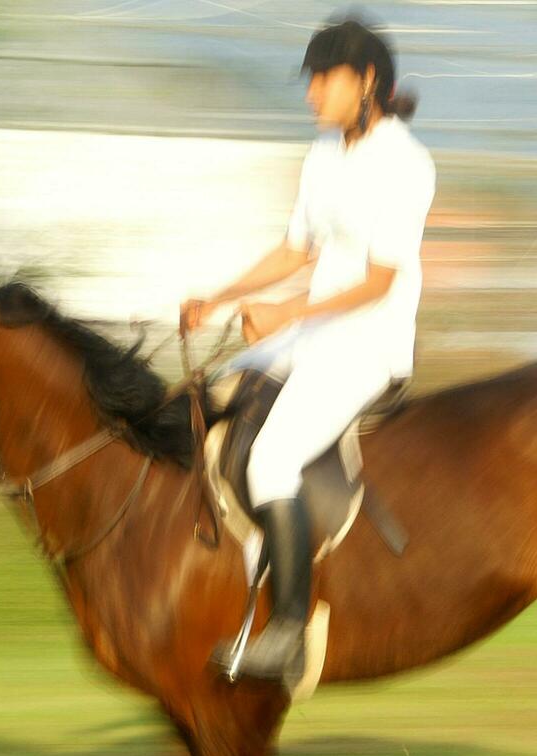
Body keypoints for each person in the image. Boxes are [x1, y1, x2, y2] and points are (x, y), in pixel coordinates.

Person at [181, 17, 435, 684]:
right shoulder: (322, 156)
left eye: (323, 79)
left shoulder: (406, 164)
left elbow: (380, 281)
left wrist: (286, 311)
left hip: (367, 346)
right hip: (309, 336)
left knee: (270, 460)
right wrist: (218, 297)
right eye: (311, 80)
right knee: (204, 399)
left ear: (367, 81)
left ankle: (288, 633)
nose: (310, 94)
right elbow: (296, 251)